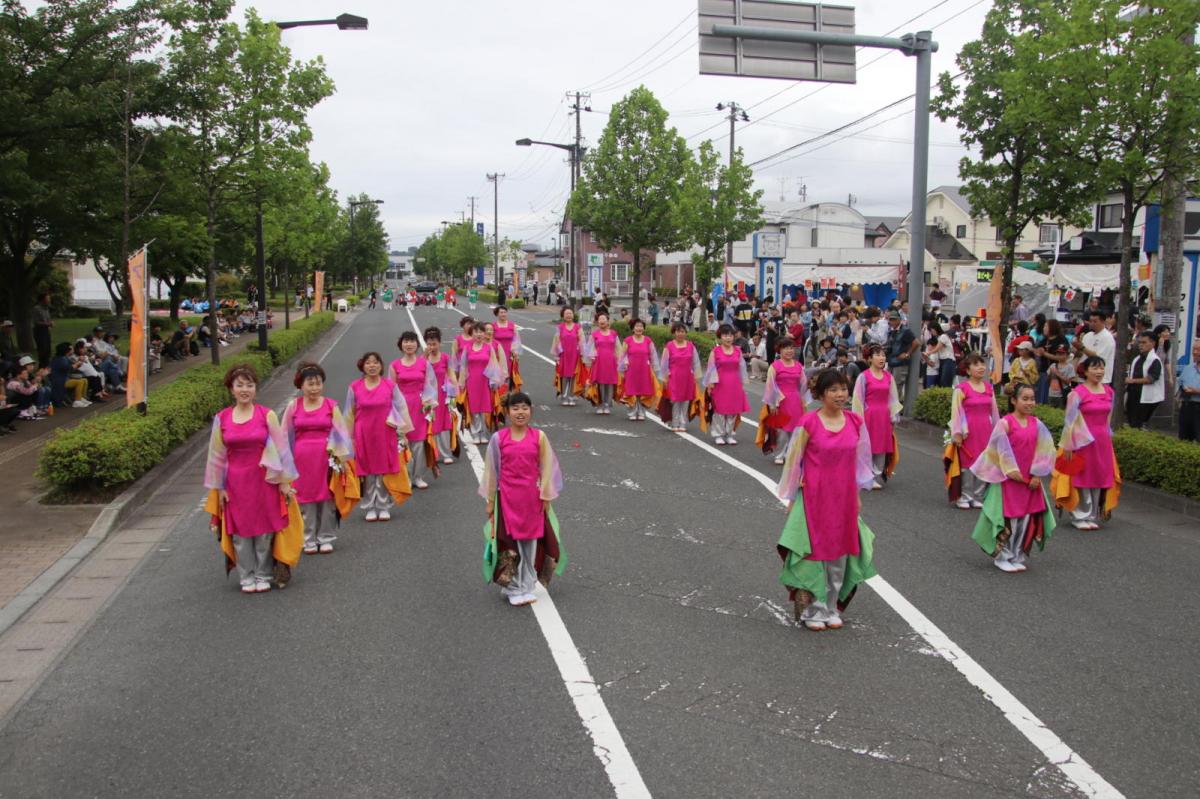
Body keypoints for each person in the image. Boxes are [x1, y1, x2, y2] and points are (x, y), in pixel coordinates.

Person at [775, 368, 878, 631]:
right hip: (814, 495)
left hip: (843, 497)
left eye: (843, 388)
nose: (840, 394)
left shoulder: (856, 422)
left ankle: (831, 607)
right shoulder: (809, 422)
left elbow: (859, 462)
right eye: (833, 390)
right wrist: (791, 498)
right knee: (815, 552)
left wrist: (856, 494)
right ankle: (813, 608)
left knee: (840, 554)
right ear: (820, 394)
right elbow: (794, 462)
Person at [204, 363, 299, 593]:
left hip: (264, 479)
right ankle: (246, 575)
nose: (244, 389)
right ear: (231, 389)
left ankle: (264, 573)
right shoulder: (222, 418)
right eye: (240, 385)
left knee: (265, 529)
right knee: (240, 531)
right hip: (235, 481)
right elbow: (216, 456)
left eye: (249, 385)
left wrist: (285, 482)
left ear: (256, 388)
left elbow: (281, 449)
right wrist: (220, 487)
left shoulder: (266, 415)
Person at [481, 392, 565, 606]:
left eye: (525, 408)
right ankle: (513, 586)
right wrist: (491, 501)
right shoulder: (498, 439)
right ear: (507, 412)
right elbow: (492, 471)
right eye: (515, 408)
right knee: (510, 543)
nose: (520, 412)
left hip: (532, 499)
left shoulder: (539, 437)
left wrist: (546, 496)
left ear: (531, 411)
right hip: (507, 499)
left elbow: (548, 468)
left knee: (531, 543)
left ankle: (526, 585)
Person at [968, 383, 1056, 573]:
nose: (1029, 402)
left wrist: (1037, 475)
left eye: (1032, 398)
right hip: (1010, 480)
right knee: (1010, 518)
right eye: (1025, 398)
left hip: (1030, 481)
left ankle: (1017, 554)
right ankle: (1002, 555)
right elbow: (998, 450)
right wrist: (1011, 471)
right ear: (1014, 400)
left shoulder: (1037, 423)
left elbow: (1045, 451)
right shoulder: (1005, 423)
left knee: (1025, 519)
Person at [282, 363, 354, 555]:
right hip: (301, 459)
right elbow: (284, 436)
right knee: (304, 498)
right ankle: (308, 538)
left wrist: (343, 460)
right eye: (310, 383)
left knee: (327, 497)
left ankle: (326, 536)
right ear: (301, 385)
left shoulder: (331, 405)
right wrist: (284, 465)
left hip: (326, 458)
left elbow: (340, 433)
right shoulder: (293, 407)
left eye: (318, 383)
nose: (314, 388)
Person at [344, 352, 413, 522]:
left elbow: (401, 407)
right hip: (363, 433)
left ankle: (383, 505)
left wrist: (403, 432)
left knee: (384, 469)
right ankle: (369, 505)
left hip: (385, 432)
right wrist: (348, 439)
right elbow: (349, 413)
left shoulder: (390, 386)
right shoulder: (355, 387)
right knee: (366, 471)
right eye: (368, 363)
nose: (372, 366)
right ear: (363, 366)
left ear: (381, 366)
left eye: (375, 362)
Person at [1053, 356, 1120, 530]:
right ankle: (1079, 514)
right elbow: (1069, 421)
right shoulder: (1077, 393)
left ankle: (1091, 514)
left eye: (1101, 368)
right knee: (1082, 475)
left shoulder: (1109, 392)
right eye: (1095, 368)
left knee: (1099, 475)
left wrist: (1107, 436)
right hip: (1082, 441)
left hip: (1102, 440)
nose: (1099, 372)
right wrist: (1068, 444)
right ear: (1086, 370)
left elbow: (1108, 418)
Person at [946, 353, 1000, 510]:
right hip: (968, 430)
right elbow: (956, 412)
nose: (981, 367)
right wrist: (957, 432)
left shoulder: (989, 388)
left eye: (982, 364)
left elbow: (994, 411)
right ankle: (964, 495)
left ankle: (978, 495)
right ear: (968, 370)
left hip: (986, 429)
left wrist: (998, 432)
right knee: (967, 463)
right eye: (976, 365)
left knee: (983, 462)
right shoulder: (961, 389)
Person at [389, 331, 439, 490]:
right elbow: (390, 388)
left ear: (417, 344)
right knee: (403, 442)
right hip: (401, 407)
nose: (409, 344)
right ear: (401, 344)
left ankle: (417, 476)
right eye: (406, 341)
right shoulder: (394, 365)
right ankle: (405, 477)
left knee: (418, 443)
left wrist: (429, 404)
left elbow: (431, 385)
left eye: (412, 341)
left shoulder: (424, 364)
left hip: (419, 406)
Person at [852, 344, 901, 489]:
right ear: (869, 359)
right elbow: (858, 399)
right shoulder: (863, 377)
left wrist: (894, 415)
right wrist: (858, 419)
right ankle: (866, 476)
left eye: (883, 355)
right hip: (869, 415)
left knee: (881, 446)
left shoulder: (888, 377)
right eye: (878, 355)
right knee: (867, 445)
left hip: (883, 416)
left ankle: (875, 473)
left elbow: (893, 397)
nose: (882, 358)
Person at [758, 337, 810, 465]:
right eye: (786, 348)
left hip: (796, 401)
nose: (789, 351)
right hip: (780, 401)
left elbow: (803, 384)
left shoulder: (798, 366)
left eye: (791, 348)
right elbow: (770, 385)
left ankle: (790, 453)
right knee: (781, 429)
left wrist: (804, 399)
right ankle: (780, 454)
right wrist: (773, 403)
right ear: (779, 350)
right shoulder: (775, 366)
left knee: (795, 429)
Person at [458, 322, 507, 444]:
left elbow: (494, 365)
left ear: (484, 334)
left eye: (481, 332)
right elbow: (463, 366)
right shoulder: (467, 348)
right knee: (474, 408)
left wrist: (495, 381)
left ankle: (485, 433)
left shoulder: (488, 348)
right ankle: (476, 433)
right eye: (476, 332)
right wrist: (461, 383)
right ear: (472, 334)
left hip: (485, 381)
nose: (479, 334)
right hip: (472, 381)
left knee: (486, 407)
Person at [703, 324, 750, 445]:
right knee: (719, 410)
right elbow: (710, 369)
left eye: (730, 335)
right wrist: (710, 385)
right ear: (720, 337)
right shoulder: (715, 351)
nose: (728, 338)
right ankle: (718, 434)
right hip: (720, 384)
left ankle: (729, 434)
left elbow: (742, 368)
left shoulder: (738, 351)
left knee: (733, 410)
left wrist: (743, 383)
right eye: (725, 335)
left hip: (735, 384)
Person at [423, 327, 459, 465]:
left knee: (444, 423)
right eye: (429, 344)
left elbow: (451, 374)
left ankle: (446, 453)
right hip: (428, 396)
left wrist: (455, 392)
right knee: (431, 423)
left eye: (434, 343)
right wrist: (425, 357)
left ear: (439, 343)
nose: (432, 346)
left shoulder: (445, 358)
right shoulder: (423, 359)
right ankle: (433, 452)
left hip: (442, 394)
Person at [659, 322, 702, 433]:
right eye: (678, 331)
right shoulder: (669, 346)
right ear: (674, 333)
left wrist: (696, 377)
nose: (680, 334)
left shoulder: (691, 346)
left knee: (686, 400)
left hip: (687, 377)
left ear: (685, 333)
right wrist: (664, 378)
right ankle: (675, 422)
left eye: (682, 331)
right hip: (674, 377)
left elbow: (696, 362)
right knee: (675, 400)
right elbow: (664, 363)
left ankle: (683, 423)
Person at [619, 318, 659, 421]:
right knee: (632, 390)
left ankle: (641, 411)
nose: (639, 328)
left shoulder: (648, 340)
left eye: (641, 326)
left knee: (643, 390)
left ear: (643, 328)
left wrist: (655, 367)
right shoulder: (627, 340)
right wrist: (622, 367)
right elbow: (622, 355)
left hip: (644, 369)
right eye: (637, 326)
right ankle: (632, 411)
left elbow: (653, 355)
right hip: (631, 369)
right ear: (633, 328)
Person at [582, 311, 620, 415]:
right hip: (599, 362)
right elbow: (589, 348)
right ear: (597, 322)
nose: (602, 321)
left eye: (604, 319)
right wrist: (589, 360)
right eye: (600, 319)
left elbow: (618, 348)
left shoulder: (614, 333)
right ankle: (600, 404)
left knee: (610, 383)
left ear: (608, 321)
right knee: (600, 383)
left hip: (611, 362)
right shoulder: (594, 334)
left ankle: (607, 404)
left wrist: (621, 361)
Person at [1124, 331, 1164, 429]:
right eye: (1140, 343)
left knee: (1139, 424)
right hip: (1133, 395)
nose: (1140, 345)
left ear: (1153, 343)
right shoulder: (1137, 358)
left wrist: (1133, 381)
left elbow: (1151, 379)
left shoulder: (1155, 360)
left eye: (1144, 342)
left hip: (1146, 398)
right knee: (1132, 423)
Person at [550, 307, 584, 406]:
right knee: (564, 375)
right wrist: (557, 356)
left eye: (570, 313)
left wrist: (582, 353)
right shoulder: (560, 327)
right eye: (566, 314)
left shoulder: (578, 327)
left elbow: (582, 341)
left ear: (573, 315)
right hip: (564, 355)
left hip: (575, 354)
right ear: (563, 316)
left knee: (573, 375)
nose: (568, 315)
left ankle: (571, 396)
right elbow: (556, 341)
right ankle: (563, 396)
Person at [1073, 312, 1116, 384]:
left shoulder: (1107, 337)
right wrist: (1076, 349)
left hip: (1100, 380)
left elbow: (1099, 358)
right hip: (1083, 377)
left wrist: (1082, 348)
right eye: (1090, 321)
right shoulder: (1087, 336)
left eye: (1095, 321)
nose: (1092, 323)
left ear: (1102, 322)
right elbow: (1081, 354)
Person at [885, 312, 918, 402]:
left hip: (900, 363)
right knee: (889, 385)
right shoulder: (891, 332)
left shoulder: (905, 331)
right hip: (891, 362)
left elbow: (916, 343)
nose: (892, 322)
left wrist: (907, 354)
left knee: (896, 387)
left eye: (894, 319)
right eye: (890, 320)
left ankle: (896, 410)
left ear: (899, 320)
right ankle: (896, 407)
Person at [48, 342, 89, 407]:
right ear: (66, 350)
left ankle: (81, 398)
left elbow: (73, 366)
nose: (72, 349)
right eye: (71, 348)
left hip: (65, 379)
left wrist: (80, 361)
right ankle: (77, 401)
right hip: (60, 381)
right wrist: (78, 362)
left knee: (84, 380)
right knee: (80, 382)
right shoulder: (60, 359)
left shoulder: (64, 357)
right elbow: (69, 368)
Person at [491, 305, 522, 390]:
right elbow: (490, 340)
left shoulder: (512, 326)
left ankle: (508, 394)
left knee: (509, 375)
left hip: (509, 354)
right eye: (501, 312)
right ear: (497, 314)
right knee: (498, 374)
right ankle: (498, 395)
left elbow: (517, 340)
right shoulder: (493, 326)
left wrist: (516, 353)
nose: (503, 314)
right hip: (497, 354)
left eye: (505, 312)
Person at [1178, 340, 1200, 441]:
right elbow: (1181, 384)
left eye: (1198, 350)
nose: (1195, 352)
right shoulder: (1188, 368)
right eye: (1194, 349)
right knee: (1184, 439)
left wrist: (1197, 391)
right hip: (1186, 407)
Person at [32, 294, 53, 367]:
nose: (49, 300)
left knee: (48, 349)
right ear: (42, 300)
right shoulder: (36, 309)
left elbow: (48, 319)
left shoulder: (46, 308)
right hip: (39, 331)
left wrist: (50, 323)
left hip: (46, 331)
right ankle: (42, 366)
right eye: (47, 299)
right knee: (42, 349)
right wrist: (47, 324)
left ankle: (47, 366)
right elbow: (36, 322)